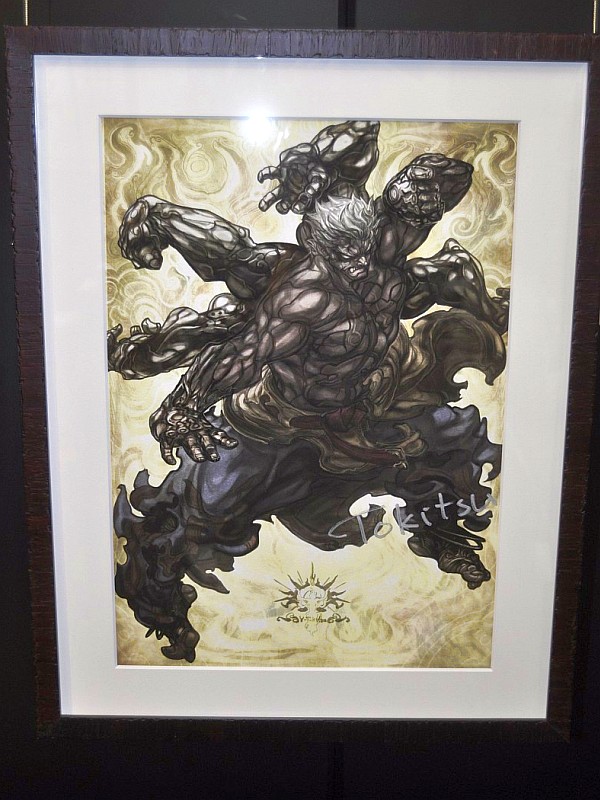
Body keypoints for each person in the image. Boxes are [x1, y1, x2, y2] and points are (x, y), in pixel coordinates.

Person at [110, 120, 509, 661]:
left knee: (452, 448)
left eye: (363, 250)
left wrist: (360, 171)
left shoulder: (386, 249)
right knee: (196, 515)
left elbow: (441, 177)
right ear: (318, 247)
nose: (359, 265)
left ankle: (441, 533)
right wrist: (183, 405)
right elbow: (241, 356)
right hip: (281, 420)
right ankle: (162, 612)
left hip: (366, 404)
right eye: (344, 256)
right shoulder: (303, 298)